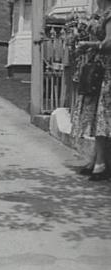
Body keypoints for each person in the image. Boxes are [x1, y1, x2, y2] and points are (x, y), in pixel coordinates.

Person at [71, 0, 111, 181]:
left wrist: (89, 45)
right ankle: (96, 158)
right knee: (95, 114)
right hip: (97, 68)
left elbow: (109, 42)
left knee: (103, 114)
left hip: (107, 70)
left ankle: (101, 163)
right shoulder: (98, 11)